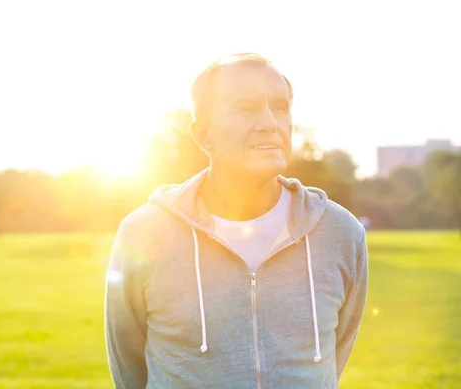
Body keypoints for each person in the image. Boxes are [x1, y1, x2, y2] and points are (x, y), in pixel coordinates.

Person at [104, 53, 368, 388]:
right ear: (203, 134)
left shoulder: (341, 233)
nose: (270, 123)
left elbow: (333, 358)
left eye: (280, 107)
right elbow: (129, 368)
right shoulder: (144, 234)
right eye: (246, 109)